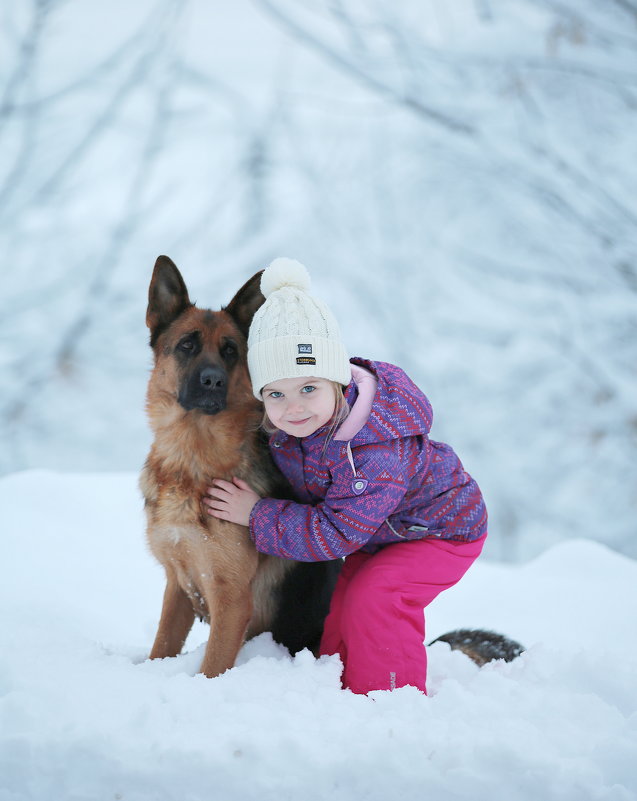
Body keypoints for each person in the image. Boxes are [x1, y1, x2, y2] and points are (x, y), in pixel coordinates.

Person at [203, 258, 487, 695]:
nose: (293, 407)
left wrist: (257, 514)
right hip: (382, 534)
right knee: (341, 608)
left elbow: (336, 534)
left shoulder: (373, 450)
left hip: (439, 532)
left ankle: (388, 699)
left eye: (308, 388)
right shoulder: (294, 427)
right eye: (275, 394)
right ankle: (328, 686)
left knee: (379, 599)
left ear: (337, 380)